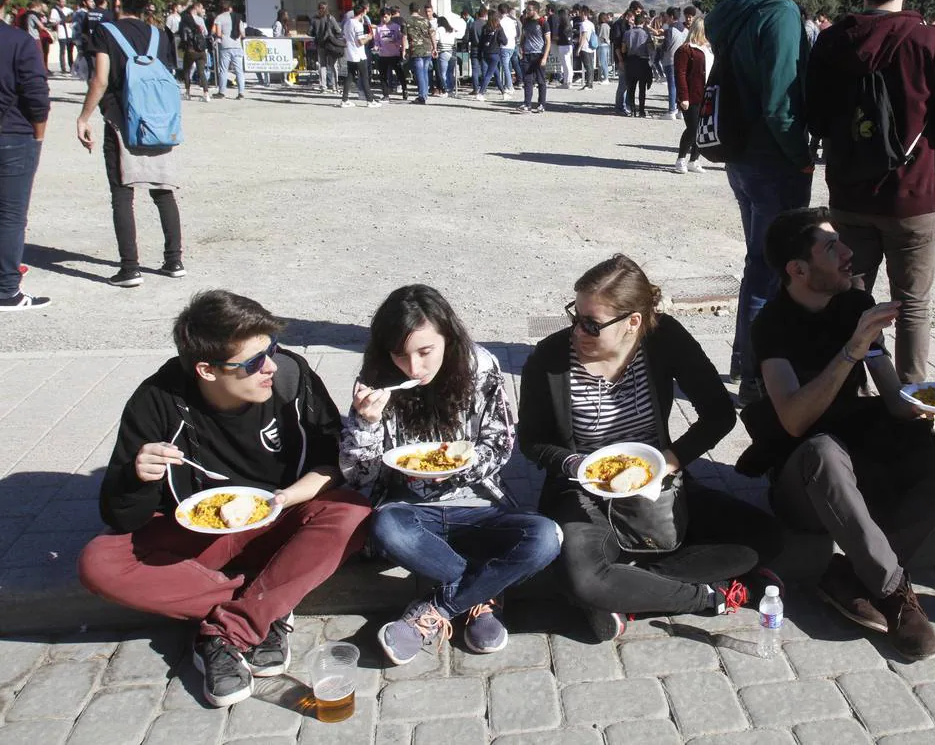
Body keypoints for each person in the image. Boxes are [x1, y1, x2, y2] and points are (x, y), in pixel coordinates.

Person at [78, 291, 371, 707]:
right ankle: (265, 604)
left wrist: (284, 499)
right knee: (99, 564)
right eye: (253, 362)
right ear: (207, 370)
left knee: (354, 513)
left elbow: (333, 465)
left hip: (280, 520)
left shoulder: (291, 376)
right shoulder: (158, 401)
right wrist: (138, 476)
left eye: (271, 349)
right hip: (201, 532)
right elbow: (122, 516)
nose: (269, 365)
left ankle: (229, 629)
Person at [736, 207, 935, 661]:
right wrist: (850, 350)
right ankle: (894, 594)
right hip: (804, 477)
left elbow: (891, 396)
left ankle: (852, 575)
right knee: (824, 452)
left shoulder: (855, 304)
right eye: (832, 247)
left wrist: (929, 403)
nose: (849, 253)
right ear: (798, 269)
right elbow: (793, 419)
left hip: (862, 459)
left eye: (842, 241)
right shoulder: (772, 324)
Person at [518, 255, 783, 640]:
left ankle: (626, 591)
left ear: (633, 322)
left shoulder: (664, 338)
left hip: (655, 485)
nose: (577, 331)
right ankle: (706, 598)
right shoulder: (550, 357)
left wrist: (667, 464)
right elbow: (531, 440)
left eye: (592, 324)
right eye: (575, 316)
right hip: (581, 491)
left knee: (766, 538)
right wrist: (575, 464)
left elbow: (719, 413)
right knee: (581, 573)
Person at [341, 285, 560, 663]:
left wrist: (458, 470)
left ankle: (438, 608)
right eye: (400, 355)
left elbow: (502, 442)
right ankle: (481, 591)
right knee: (385, 527)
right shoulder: (378, 379)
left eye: (425, 351)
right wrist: (366, 423)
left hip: (480, 503)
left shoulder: (481, 367)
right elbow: (361, 479)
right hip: (409, 512)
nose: (413, 368)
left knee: (546, 537)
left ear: (448, 337)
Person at [806, 0, 935, 385]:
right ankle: (911, 402)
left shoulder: (833, 40)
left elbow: (814, 116)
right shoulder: (931, 42)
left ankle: (848, 389)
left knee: (853, 298)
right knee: (913, 303)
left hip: (849, 191)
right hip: (913, 195)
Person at [706, 0, 814, 405]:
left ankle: (745, 362)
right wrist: (802, 155)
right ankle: (756, 378)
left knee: (758, 263)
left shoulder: (733, 12)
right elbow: (779, 100)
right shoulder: (781, 13)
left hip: (740, 155)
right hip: (773, 158)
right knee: (775, 270)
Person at [75, 0, 184, 288]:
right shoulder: (158, 35)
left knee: (122, 194)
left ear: (117, 1)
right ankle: (173, 259)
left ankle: (130, 267)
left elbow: (101, 79)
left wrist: (84, 117)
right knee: (163, 190)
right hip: (158, 120)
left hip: (120, 119)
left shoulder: (104, 32)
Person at [0, 0, 51, 311]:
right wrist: (39, 133)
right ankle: (6, 289)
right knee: (10, 215)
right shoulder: (17, 41)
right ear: (6, 1)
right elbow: (36, 94)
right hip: (13, 135)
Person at [672, 16, 712, 174]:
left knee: (703, 130)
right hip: (692, 95)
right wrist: (683, 97)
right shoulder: (685, 49)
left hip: (707, 94)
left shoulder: (708, 49)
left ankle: (694, 159)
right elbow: (680, 74)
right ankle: (681, 159)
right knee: (693, 128)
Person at [621, 12, 655, 118]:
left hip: (631, 62)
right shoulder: (646, 34)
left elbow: (623, 49)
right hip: (643, 62)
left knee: (631, 88)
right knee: (642, 88)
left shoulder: (627, 33)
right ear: (643, 22)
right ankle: (641, 111)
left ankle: (632, 110)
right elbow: (651, 49)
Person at [518, 2, 550, 114]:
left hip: (539, 54)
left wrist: (545, 57)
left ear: (535, 11)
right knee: (527, 80)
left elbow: (548, 41)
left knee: (541, 81)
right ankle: (527, 104)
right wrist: (521, 48)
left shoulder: (542, 23)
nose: (526, 12)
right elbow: (523, 37)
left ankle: (541, 104)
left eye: (528, 10)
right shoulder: (526, 22)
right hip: (527, 54)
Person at [401, 3, 436, 105]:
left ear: (410, 10)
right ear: (419, 10)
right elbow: (432, 34)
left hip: (416, 50)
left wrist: (403, 50)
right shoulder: (426, 21)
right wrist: (434, 48)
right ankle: (424, 94)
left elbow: (404, 36)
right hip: (427, 48)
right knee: (424, 72)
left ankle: (422, 96)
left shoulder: (407, 21)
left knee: (419, 73)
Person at [210, 1, 246, 100]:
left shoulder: (219, 18)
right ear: (230, 8)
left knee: (223, 70)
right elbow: (243, 34)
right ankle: (241, 93)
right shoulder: (239, 18)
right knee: (239, 70)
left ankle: (222, 92)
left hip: (225, 46)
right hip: (237, 46)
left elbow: (217, 33)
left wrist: (225, 36)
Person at [178, 2, 211, 103]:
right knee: (201, 72)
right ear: (195, 8)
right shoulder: (200, 19)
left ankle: (187, 93)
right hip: (201, 49)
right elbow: (205, 32)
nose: (202, 10)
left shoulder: (184, 20)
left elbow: (182, 34)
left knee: (187, 70)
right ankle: (206, 94)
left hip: (191, 49)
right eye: (201, 8)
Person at [309, 2, 344, 94]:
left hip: (320, 45)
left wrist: (317, 33)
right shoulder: (330, 18)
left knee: (322, 65)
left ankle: (323, 87)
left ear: (318, 8)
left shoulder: (314, 19)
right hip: (331, 45)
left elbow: (309, 32)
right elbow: (338, 30)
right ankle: (335, 87)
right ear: (327, 9)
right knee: (333, 66)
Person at [662, 7, 689, 119]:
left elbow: (666, 47)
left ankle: (671, 110)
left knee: (672, 86)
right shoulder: (686, 30)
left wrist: (659, 46)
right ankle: (680, 111)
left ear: (671, 17)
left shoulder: (670, 30)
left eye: (667, 17)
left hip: (671, 60)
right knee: (681, 85)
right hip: (684, 61)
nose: (666, 19)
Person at [49, 0, 77, 75]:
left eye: (64, 1)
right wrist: (61, 20)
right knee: (62, 51)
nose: (63, 3)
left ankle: (71, 66)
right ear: (58, 2)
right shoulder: (54, 10)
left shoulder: (68, 10)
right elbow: (52, 21)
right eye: (62, 1)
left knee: (70, 51)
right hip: (61, 32)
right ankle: (63, 68)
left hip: (69, 32)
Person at [434, 15, 459, 97]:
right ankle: (451, 90)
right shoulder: (452, 30)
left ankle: (445, 90)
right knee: (450, 73)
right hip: (452, 52)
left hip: (443, 52)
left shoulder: (439, 29)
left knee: (443, 73)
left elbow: (436, 40)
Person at [551, 3, 574, 88]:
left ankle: (567, 82)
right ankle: (568, 81)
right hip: (568, 46)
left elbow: (560, 36)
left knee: (565, 65)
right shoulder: (568, 25)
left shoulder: (562, 26)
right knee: (568, 65)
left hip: (563, 46)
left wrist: (555, 38)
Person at [575, 8, 597, 90]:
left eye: (580, 13)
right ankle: (590, 83)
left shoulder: (584, 24)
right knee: (590, 66)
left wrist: (579, 48)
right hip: (591, 47)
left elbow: (584, 36)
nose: (579, 15)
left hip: (585, 47)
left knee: (587, 66)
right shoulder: (591, 24)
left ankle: (589, 84)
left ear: (583, 14)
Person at [595, 12, 612, 86]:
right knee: (604, 62)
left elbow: (603, 36)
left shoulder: (603, 26)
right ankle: (605, 78)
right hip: (605, 45)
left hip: (603, 45)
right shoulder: (606, 25)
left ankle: (606, 78)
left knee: (603, 62)